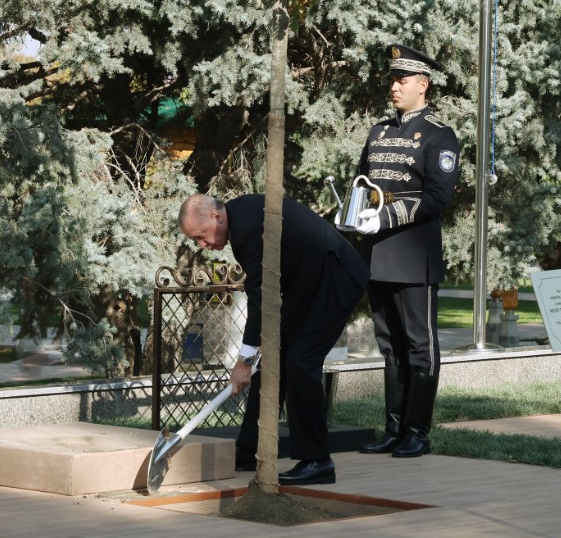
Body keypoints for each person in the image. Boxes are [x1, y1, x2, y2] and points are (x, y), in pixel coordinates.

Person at [179, 193, 368, 486]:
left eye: (201, 236)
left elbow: (261, 296)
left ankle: (317, 461)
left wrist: (244, 361)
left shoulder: (248, 227)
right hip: (307, 286)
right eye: (197, 240)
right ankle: (250, 447)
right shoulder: (240, 219)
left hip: (335, 278)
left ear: (216, 216)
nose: (202, 245)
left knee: (300, 363)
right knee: (273, 362)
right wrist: (253, 356)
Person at [350, 43, 460, 458]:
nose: (394, 87)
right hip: (377, 254)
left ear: (423, 84)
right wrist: (354, 216)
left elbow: (437, 197)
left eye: (402, 79)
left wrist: (384, 217)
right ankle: (393, 429)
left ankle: (418, 432)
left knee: (419, 344)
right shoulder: (378, 132)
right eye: (392, 80)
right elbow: (362, 182)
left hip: (414, 257)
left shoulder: (439, 135)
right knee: (390, 345)